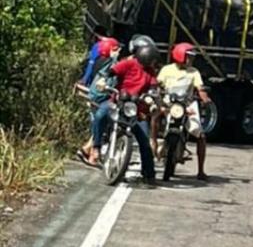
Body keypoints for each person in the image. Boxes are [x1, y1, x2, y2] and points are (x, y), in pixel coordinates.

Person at [88, 43, 160, 185]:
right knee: (100, 115)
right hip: (118, 102)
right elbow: (112, 71)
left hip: (136, 109)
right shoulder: (128, 64)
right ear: (146, 57)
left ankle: (149, 173)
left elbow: (153, 87)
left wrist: (152, 97)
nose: (153, 62)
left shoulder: (150, 72)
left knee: (144, 142)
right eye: (152, 59)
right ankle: (96, 146)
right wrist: (103, 81)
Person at [156, 42, 211, 180]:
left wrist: (205, 98)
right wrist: (157, 95)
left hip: (187, 105)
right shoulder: (166, 70)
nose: (190, 60)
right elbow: (158, 85)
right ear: (180, 55)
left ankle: (201, 170)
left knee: (200, 135)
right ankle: (153, 142)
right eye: (188, 57)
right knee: (154, 118)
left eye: (191, 57)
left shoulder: (194, 72)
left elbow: (200, 88)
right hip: (169, 104)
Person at [77, 37, 120, 164]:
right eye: (116, 49)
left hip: (91, 94)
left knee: (95, 123)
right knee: (102, 122)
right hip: (101, 97)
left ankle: (89, 152)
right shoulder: (110, 63)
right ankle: (90, 152)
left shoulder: (96, 61)